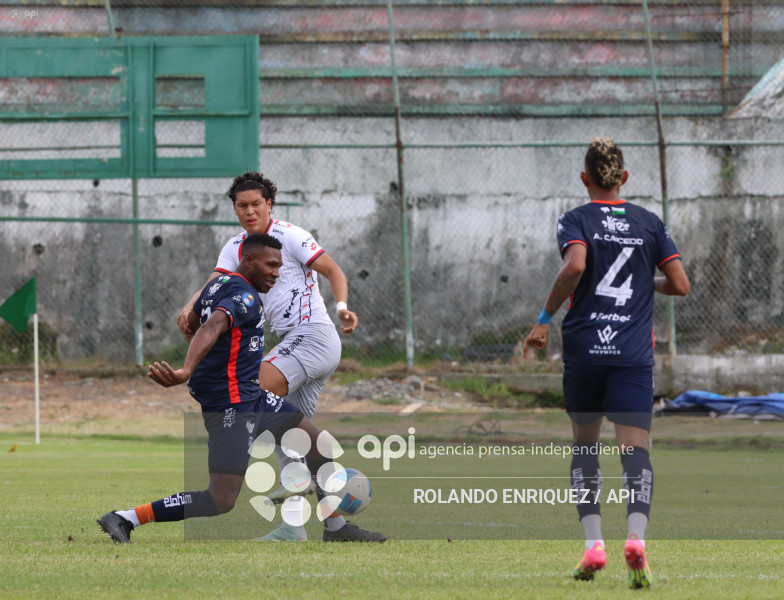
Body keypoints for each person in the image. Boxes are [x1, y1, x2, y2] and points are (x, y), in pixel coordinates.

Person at [98, 234, 386, 544]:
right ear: (248, 261)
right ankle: (126, 517)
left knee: (317, 446)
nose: (277, 273)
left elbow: (193, 323)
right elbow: (210, 326)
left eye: (280, 266)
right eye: (271, 265)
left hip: (254, 397)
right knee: (220, 500)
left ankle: (335, 528)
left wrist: (209, 362)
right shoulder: (245, 297)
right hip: (231, 407)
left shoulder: (216, 286)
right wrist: (188, 370)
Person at [522, 138, 690, 589]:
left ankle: (594, 544)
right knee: (635, 450)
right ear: (625, 178)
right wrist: (640, 279)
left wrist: (543, 320)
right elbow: (680, 284)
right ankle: (635, 540)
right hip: (632, 355)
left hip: (585, 351)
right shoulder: (649, 222)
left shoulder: (575, 218)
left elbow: (575, 267)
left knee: (585, 447)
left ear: (585, 179)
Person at [177, 172, 359, 541]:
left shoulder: (290, 235)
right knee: (293, 436)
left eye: (255, 204)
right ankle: (316, 526)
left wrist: (341, 307)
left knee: (249, 394)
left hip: (314, 337)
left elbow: (332, 269)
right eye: (241, 205)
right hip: (293, 345)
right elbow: (216, 283)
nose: (249, 211)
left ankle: (238, 477)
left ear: (269, 204)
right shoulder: (237, 248)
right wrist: (190, 305)